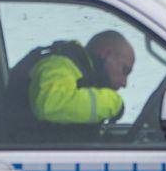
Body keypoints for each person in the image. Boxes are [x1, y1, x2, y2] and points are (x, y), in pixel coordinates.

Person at [8, 30, 136, 127]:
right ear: (106, 54)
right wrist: (113, 103)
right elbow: (50, 104)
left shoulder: (82, 71)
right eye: (124, 70)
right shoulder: (58, 65)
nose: (124, 83)